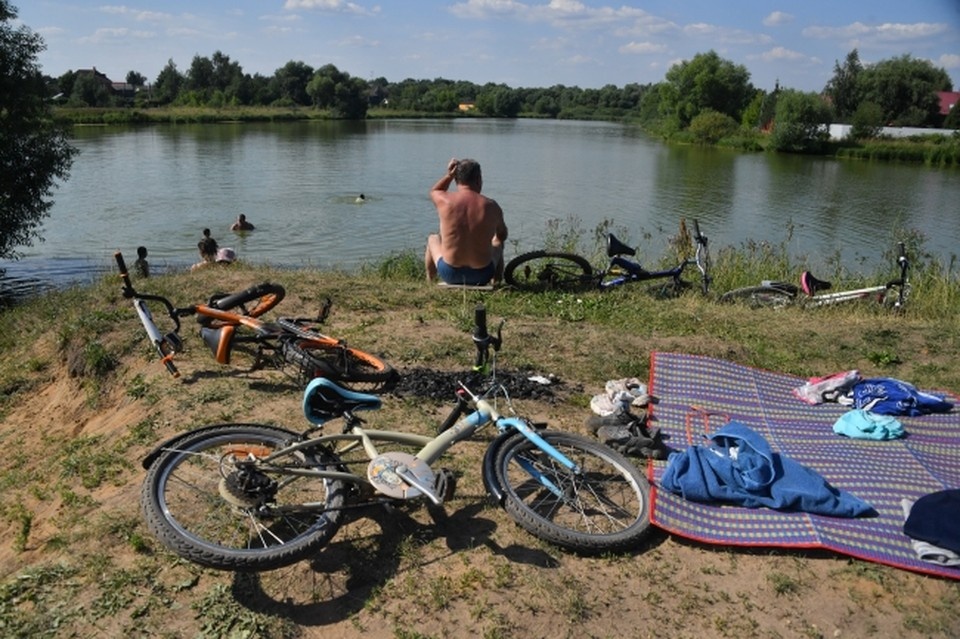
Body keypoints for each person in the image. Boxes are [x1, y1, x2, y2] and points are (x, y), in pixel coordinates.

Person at [424, 158, 508, 286]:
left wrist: (449, 175)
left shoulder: (445, 201)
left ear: (457, 180)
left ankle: (430, 282)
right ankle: (496, 282)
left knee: (433, 238)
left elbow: (435, 191)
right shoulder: (492, 206)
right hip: (483, 275)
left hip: (450, 273)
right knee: (498, 242)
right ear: (479, 179)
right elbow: (502, 235)